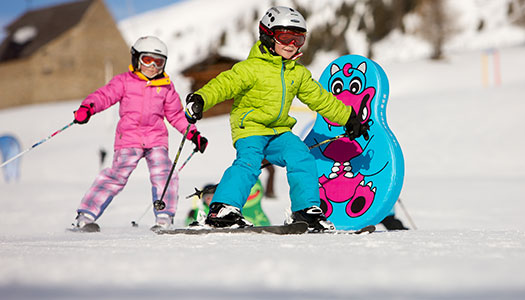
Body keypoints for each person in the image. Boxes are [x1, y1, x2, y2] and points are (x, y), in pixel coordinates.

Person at [184, 6, 368, 232]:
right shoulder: (250, 68)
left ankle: (306, 210)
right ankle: (223, 208)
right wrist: (201, 99)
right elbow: (224, 84)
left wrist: (348, 117)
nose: (292, 44)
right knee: (249, 163)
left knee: (301, 157)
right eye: (285, 37)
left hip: (279, 131)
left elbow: (320, 99)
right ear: (268, 35)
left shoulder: (297, 73)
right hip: (250, 128)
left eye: (298, 39)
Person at [71, 36, 208, 232]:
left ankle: (164, 218)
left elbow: (177, 115)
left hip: (156, 139)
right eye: (147, 60)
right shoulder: (124, 81)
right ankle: (85, 216)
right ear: (137, 59)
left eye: (158, 62)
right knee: (116, 175)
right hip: (129, 138)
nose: (152, 66)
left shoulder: (166, 87)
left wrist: (193, 135)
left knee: (164, 173)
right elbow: (104, 95)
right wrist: (88, 108)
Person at [185, 181, 270, 227]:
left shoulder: (222, 208)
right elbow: (188, 222)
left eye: (213, 198)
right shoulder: (200, 209)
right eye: (208, 198)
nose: (210, 201)